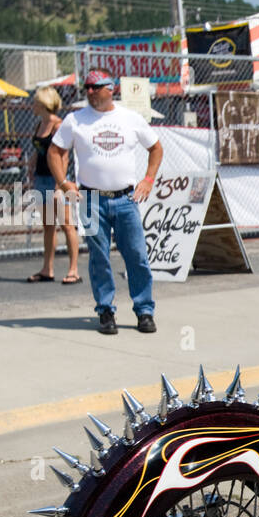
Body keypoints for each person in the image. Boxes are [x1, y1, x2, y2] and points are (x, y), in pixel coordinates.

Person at [48, 70, 163, 335]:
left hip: (125, 198)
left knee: (136, 256)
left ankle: (144, 311)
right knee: (99, 258)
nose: (88, 92)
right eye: (86, 87)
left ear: (110, 89)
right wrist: (65, 183)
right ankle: (105, 310)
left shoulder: (129, 118)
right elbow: (55, 152)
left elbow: (156, 148)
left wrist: (148, 179)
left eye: (94, 87)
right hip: (90, 199)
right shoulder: (75, 120)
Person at [27, 86, 80, 284]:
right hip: (41, 179)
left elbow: (63, 156)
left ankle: (73, 269)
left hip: (55, 180)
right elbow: (38, 149)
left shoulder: (59, 126)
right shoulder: (39, 125)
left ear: (44, 104)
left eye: (35, 102)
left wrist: (61, 183)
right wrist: (31, 165)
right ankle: (47, 269)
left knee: (66, 224)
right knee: (48, 225)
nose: (32, 105)